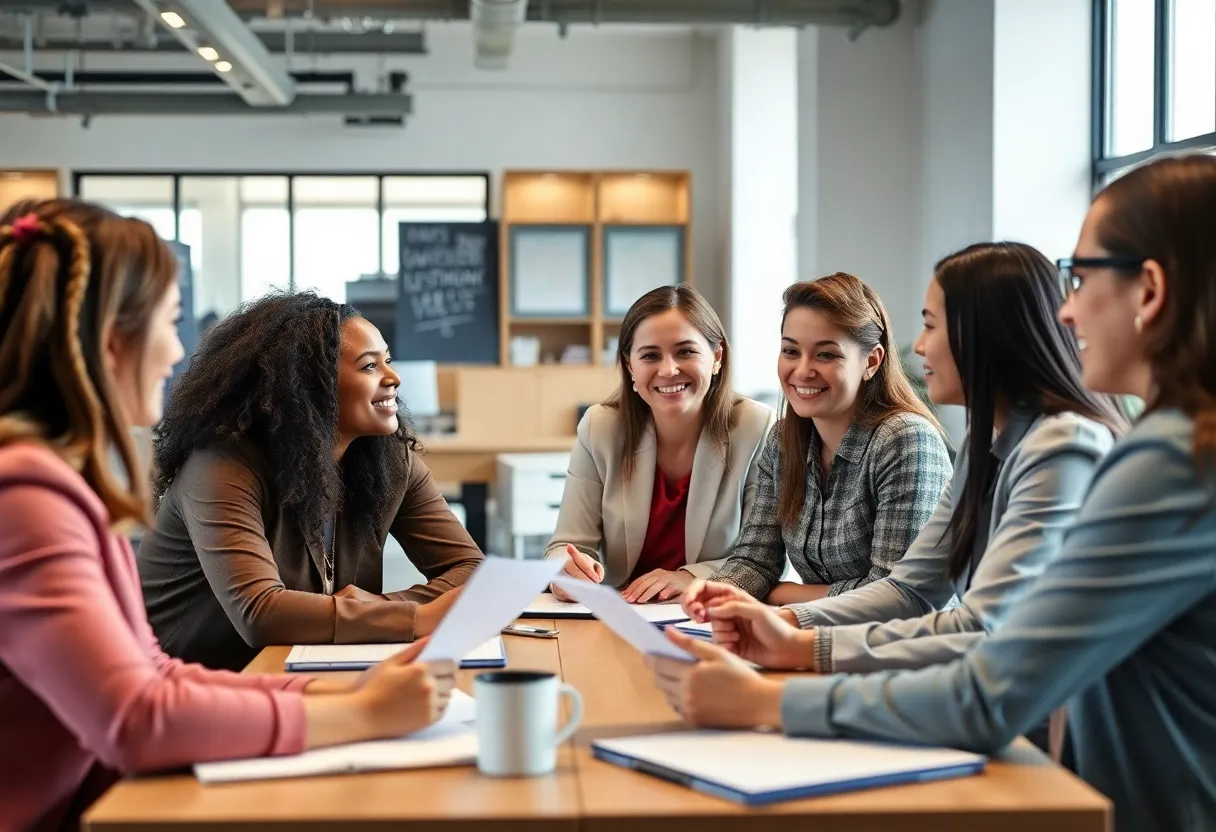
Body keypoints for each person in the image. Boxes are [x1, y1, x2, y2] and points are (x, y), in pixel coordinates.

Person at [647, 154, 1216, 832]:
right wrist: (797, 643)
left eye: (1083, 275)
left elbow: (988, 668)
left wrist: (769, 701)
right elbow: (928, 595)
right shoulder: (1022, 440)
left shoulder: (1156, 457)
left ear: (1148, 290)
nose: (1069, 307)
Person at [0, 200, 456, 832]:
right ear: (112, 343)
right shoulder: (25, 498)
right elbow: (137, 719)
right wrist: (363, 715)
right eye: (171, 323)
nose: (175, 353)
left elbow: (154, 674)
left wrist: (347, 693)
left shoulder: (48, 483)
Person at [682, 243, 1123, 680]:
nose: (920, 346)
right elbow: (910, 589)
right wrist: (786, 624)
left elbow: (978, 625)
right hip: (964, 680)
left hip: (1025, 706)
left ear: (987, 334)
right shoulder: (984, 441)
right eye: (791, 350)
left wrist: (795, 631)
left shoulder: (1060, 446)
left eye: (931, 326)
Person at [138, 291, 482, 672]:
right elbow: (260, 612)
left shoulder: (387, 458)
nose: (393, 378)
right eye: (369, 366)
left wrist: (381, 607)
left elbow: (469, 567)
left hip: (301, 667)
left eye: (388, 361)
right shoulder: (220, 466)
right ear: (307, 384)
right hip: (189, 687)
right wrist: (417, 618)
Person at [704, 273, 951, 604]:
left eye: (826, 355)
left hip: (905, 647)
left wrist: (786, 594)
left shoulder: (905, 440)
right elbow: (755, 559)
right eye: (791, 351)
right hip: (820, 638)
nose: (803, 370)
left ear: (871, 361)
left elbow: (896, 595)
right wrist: (715, 593)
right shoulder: (783, 441)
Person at [544, 285, 775, 603]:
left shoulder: (757, 427)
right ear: (630, 366)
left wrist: (689, 577)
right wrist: (566, 572)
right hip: (620, 613)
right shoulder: (600, 427)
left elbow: (763, 559)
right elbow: (566, 545)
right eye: (651, 355)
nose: (668, 369)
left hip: (710, 614)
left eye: (685, 351)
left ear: (716, 357)